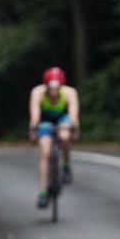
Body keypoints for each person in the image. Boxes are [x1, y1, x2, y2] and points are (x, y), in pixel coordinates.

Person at [28, 67, 80, 208]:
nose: (53, 92)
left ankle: (66, 165)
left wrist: (74, 129)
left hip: (63, 119)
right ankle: (43, 191)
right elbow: (35, 117)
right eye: (51, 88)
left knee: (64, 136)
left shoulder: (70, 93)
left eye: (56, 87)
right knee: (45, 153)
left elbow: (73, 115)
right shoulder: (38, 93)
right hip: (45, 122)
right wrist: (33, 130)